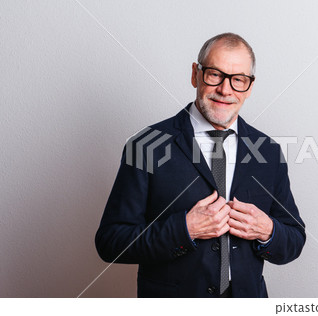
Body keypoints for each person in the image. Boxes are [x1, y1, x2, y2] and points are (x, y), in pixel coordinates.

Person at [95, 32, 306, 298]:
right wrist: (184, 230)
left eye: (238, 79)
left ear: (249, 87)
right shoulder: (145, 145)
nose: (225, 90)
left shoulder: (268, 152)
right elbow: (111, 242)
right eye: (215, 75)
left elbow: (295, 238)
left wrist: (268, 231)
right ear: (195, 74)